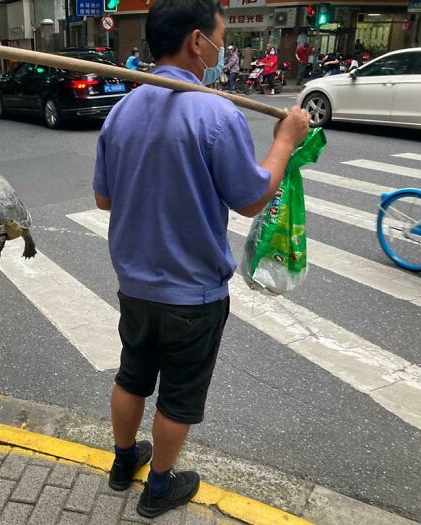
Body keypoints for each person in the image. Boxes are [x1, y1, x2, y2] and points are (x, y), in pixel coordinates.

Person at [93, 0, 309, 518]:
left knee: (132, 376)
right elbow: (252, 196)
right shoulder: (214, 111)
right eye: (219, 37)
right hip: (193, 293)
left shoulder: (123, 110)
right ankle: (159, 487)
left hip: (135, 286)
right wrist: (285, 141)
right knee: (178, 397)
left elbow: (104, 198)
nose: (221, 48)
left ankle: (123, 464)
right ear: (196, 41)